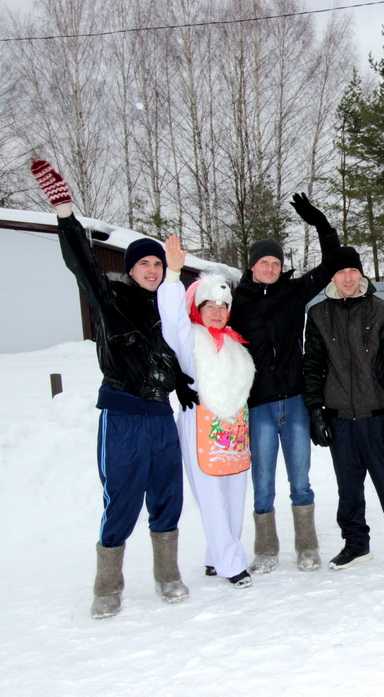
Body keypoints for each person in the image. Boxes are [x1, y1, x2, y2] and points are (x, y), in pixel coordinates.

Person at [31, 159, 195, 619]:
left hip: (161, 413)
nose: (151, 269)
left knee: (167, 492)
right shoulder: (112, 300)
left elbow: (180, 349)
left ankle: (167, 574)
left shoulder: (170, 305)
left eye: (157, 263)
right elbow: (83, 266)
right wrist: (66, 215)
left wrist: (185, 383)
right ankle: (108, 583)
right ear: (131, 268)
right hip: (122, 412)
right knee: (122, 495)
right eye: (143, 262)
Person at [227, 194, 339, 574]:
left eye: (276, 262)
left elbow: (330, 265)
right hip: (257, 403)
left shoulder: (293, 293)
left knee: (300, 478)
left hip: (292, 400)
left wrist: (320, 223)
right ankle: (266, 548)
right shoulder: (235, 301)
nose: (271, 267)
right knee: (262, 482)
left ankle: (307, 545)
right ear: (253, 266)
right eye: (265, 262)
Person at [303, 246, 384, 570]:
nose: (347, 277)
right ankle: (355, 544)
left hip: (377, 416)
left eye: (353, 271)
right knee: (348, 489)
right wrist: (315, 411)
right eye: (341, 272)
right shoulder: (317, 315)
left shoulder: (382, 311)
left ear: (361, 274)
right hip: (340, 418)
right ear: (333, 276)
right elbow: (312, 366)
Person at [158, 235, 256, 588]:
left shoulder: (234, 343)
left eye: (223, 305)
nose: (216, 311)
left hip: (233, 430)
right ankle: (232, 563)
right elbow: (170, 319)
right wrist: (172, 274)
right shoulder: (189, 337)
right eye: (209, 304)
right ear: (198, 307)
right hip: (200, 423)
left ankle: (218, 556)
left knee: (233, 493)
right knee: (211, 496)